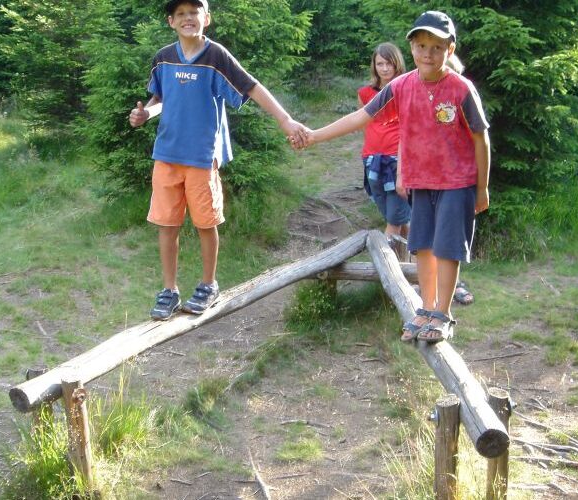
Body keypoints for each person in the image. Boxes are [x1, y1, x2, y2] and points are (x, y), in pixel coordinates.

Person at [297, 11, 490, 343]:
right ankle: (426, 308)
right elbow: (362, 117)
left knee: (447, 250)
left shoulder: (460, 89)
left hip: (457, 184)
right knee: (424, 248)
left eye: (436, 46)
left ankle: (443, 313)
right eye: (421, 45)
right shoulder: (401, 86)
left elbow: (480, 138)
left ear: (450, 48)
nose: (428, 53)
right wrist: (314, 135)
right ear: (412, 47)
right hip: (420, 183)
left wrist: (482, 188)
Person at [129, 0, 309, 320]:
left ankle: (208, 284)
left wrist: (286, 120)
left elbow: (252, 87)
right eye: (181, 14)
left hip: (200, 156)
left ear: (206, 19)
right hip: (167, 155)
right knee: (167, 224)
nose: (188, 18)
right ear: (171, 21)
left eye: (194, 12)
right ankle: (169, 290)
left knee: (205, 222)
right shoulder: (163, 58)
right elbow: (160, 100)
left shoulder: (216, 56)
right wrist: (146, 114)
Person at [358, 43, 409, 243]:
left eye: (389, 63)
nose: (385, 68)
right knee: (397, 217)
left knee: (394, 222)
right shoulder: (364, 93)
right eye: (380, 63)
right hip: (372, 158)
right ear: (374, 66)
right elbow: (363, 122)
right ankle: (413, 267)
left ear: (397, 64)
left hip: (397, 160)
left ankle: (387, 267)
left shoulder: (405, 89)